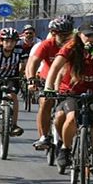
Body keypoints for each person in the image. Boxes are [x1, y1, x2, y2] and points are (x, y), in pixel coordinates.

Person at [43, 22, 93, 178]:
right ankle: (65, 148)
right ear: (79, 35)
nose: (91, 39)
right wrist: (49, 88)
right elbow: (55, 67)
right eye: (87, 35)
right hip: (72, 91)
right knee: (70, 117)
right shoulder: (71, 46)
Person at [26, 18, 74, 150]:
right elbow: (33, 63)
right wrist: (31, 79)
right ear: (53, 33)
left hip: (67, 83)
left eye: (68, 35)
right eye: (62, 35)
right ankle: (44, 137)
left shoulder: (74, 45)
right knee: (45, 102)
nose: (65, 38)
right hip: (46, 81)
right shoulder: (46, 45)